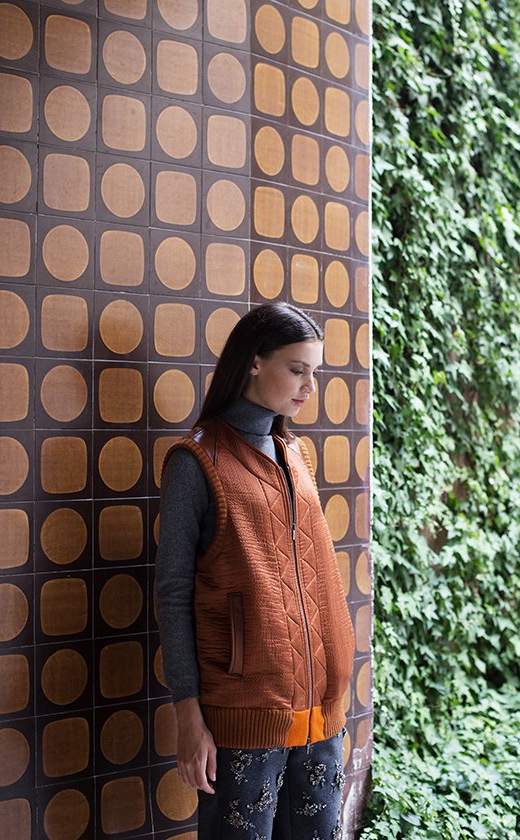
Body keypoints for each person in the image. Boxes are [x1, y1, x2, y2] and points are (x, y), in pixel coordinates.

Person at [155, 302, 356, 840]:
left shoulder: (296, 454)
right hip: (244, 720)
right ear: (253, 362)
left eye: (315, 372)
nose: (309, 387)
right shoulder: (196, 462)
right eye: (297, 370)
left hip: (321, 719)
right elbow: (172, 595)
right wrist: (187, 714)